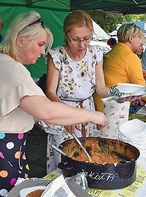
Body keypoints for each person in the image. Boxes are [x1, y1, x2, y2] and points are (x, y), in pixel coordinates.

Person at [0, 10, 107, 197]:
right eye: (40, 44)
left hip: (6, 145)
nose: (43, 51)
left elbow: (26, 106)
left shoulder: (8, 63)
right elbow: (46, 109)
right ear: (21, 41)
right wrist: (94, 115)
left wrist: (36, 117)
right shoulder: (8, 68)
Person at [45, 10, 110, 173]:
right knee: (66, 160)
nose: (82, 45)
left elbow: (101, 88)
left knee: (88, 157)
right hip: (62, 110)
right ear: (67, 35)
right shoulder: (57, 56)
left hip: (88, 110)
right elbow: (50, 92)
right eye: (76, 39)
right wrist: (69, 114)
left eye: (87, 39)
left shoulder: (95, 54)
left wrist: (119, 94)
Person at [94, 23, 146, 113]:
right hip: (111, 105)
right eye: (139, 38)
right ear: (131, 39)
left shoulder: (115, 51)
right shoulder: (129, 56)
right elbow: (141, 87)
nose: (141, 42)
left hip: (101, 101)